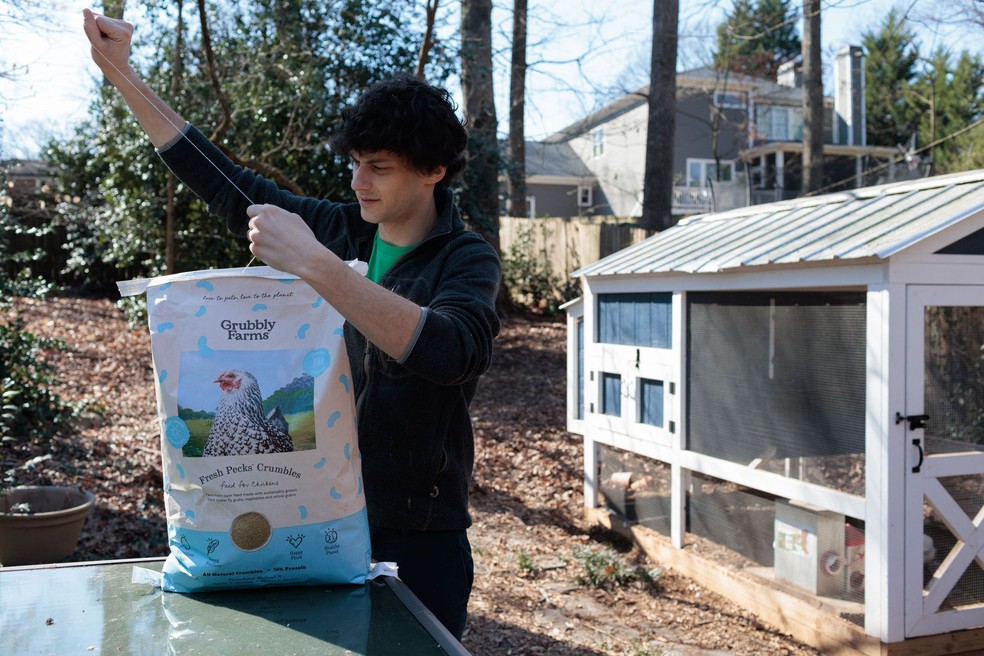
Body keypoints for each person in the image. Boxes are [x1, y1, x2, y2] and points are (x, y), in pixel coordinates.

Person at [82, 8, 500, 640]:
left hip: (418, 533)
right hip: (313, 516)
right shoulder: (342, 228)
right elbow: (223, 182)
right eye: (355, 162)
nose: (358, 181)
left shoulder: (466, 258)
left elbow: (449, 352)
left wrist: (314, 262)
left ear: (434, 169)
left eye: (378, 167)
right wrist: (122, 74)